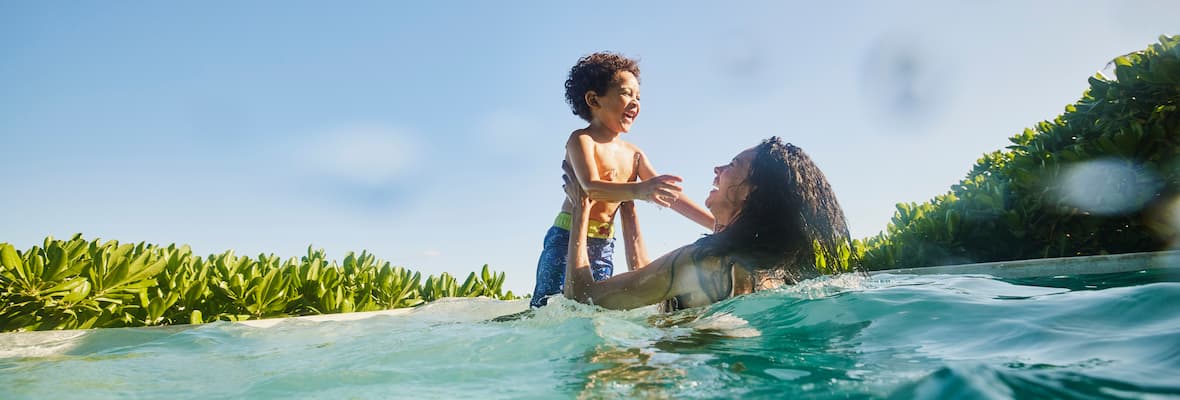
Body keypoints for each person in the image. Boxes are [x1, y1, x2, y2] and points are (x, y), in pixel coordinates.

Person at [561, 137, 858, 310]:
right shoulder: (773, 272)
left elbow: (583, 297)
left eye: (732, 165)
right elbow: (653, 283)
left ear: (749, 190)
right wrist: (628, 209)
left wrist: (581, 206)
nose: (717, 169)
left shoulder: (700, 260)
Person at [530, 52, 715, 308]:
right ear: (594, 99)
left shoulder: (634, 154)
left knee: (592, 307)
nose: (635, 103)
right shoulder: (582, 140)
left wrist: (715, 224)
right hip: (567, 234)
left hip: (605, 242)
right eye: (627, 93)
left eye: (638, 97)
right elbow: (590, 186)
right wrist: (640, 190)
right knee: (547, 306)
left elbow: (670, 197)